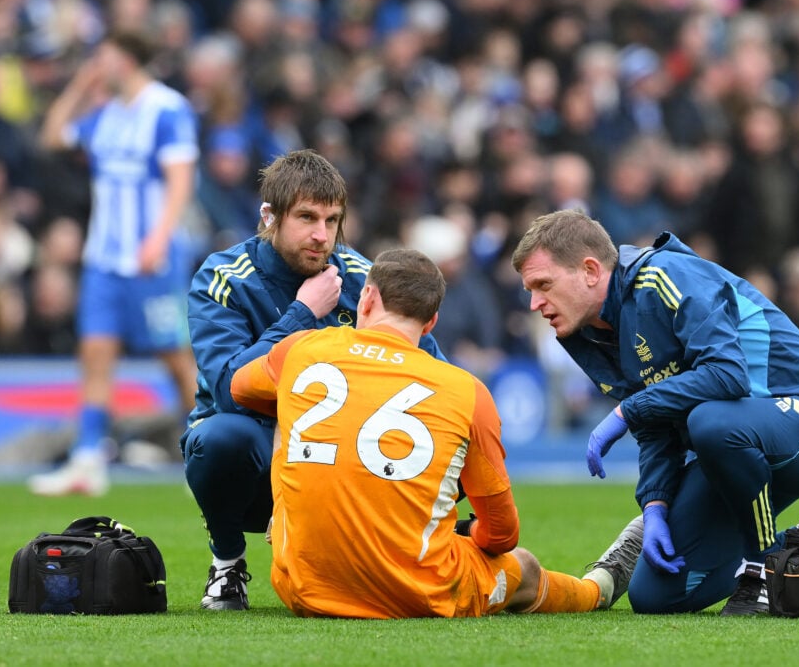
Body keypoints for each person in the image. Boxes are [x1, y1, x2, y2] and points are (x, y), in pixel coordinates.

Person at [229, 248, 643, 618]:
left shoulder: (302, 349)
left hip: (301, 585)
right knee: (524, 567)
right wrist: (469, 531)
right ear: (431, 323)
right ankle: (599, 589)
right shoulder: (465, 390)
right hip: (416, 592)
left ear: (367, 297)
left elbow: (239, 388)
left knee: (284, 404)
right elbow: (502, 535)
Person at [511, 210, 799, 615]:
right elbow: (655, 426)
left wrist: (627, 411)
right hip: (736, 452)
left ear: (590, 270)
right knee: (655, 596)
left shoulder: (666, 274)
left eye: (543, 285)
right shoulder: (588, 332)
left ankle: (762, 568)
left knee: (709, 424)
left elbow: (726, 375)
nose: (535, 303)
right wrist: (655, 505)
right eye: (530, 291)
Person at [180, 149, 443, 611]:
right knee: (219, 439)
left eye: (332, 220)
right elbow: (228, 388)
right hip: (257, 459)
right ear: (270, 217)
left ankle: (397, 553)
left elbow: (435, 378)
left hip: (341, 461)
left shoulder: (364, 280)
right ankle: (228, 564)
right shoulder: (224, 277)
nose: (322, 235)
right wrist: (302, 313)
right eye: (306, 217)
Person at [30, 30, 200, 496]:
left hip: (152, 260)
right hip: (104, 259)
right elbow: (51, 136)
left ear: (126, 59)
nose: (97, 65)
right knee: (95, 355)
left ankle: (205, 457)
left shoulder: (167, 108)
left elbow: (181, 180)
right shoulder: (105, 114)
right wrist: (80, 86)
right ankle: (87, 460)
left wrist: (159, 238)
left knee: (175, 357)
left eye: (102, 58)